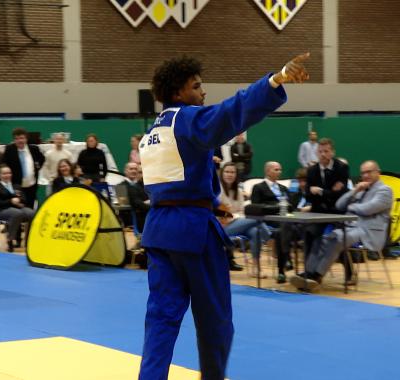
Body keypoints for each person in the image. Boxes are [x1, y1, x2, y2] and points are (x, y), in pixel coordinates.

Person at [137, 53, 309, 380]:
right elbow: (231, 112)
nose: (203, 93)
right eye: (196, 86)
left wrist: (208, 200)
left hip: (159, 232)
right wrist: (275, 81)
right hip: (192, 233)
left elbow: (167, 184)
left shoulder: (151, 135)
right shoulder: (187, 119)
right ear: (178, 93)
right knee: (215, 320)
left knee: (160, 319)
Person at [289, 160, 392, 290]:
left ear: (378, 172)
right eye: (363, 173)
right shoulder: (361, 189)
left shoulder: (385, 190)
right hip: (350, 228)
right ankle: (308, 273)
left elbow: (368, 209)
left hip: (368, 230)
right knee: (321, 238)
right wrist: (355, 190)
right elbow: (339, 204)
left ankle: (317, 276)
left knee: (337, 239)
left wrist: (352, 206)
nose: (365, 176)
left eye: (369, 172)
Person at [304, 138, 350, 266]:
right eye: (320, 151)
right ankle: (308, 272)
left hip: (337, 212)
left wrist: (319, 191)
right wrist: (329, 192)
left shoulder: (342, 168)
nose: (323, 154)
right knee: (309, 233)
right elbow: (307, 194)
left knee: (338, 237)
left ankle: (349, 273)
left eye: (326, 151)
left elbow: (340, 194)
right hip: (318, 212)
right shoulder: (312, 170)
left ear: (332, 152)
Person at [220, 162, 269, 274]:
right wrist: (235, 215)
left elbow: (242, 211)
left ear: (236, 175)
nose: (230, 174)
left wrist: (235, 216)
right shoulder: (217, 190)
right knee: (257, 220)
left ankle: (256, 268)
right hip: (222, 227)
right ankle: (268, 236)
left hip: (238, 223)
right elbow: (222, 216)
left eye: (232, 172)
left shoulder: (238, 191)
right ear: (222, 173)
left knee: (255, 231)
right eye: (227, 172)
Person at [0, 166, 35, 252]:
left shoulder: (17, 186)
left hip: (18, 208)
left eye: (9, 173)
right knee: (17, 213)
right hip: (2, 210)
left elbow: (24, 199)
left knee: (32, 213)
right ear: (0, 175)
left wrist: (19, 200)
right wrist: (11, 201)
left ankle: (29, 240)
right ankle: (10, 240)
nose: (7, 175)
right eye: (4, 173)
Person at [1, 128, 45, 209]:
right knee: (18, 208)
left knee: (30, 207)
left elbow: (42, 159)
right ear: (14, 140)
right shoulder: (9, 149)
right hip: (16, 185)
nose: (19, 141)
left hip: (32, 184)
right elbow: (3, 163)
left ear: (26, 138)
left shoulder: (34, 149)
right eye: (16, 139)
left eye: (21, 138)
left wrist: (37, 168)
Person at [123, 162, 150, 233]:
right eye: (140, 172)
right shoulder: (133, 187)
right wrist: (152, 204)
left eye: (144, 172)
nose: (142, 175)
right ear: (137, 174)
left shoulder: (150, 187)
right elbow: (137, 203)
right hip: (142, 221)